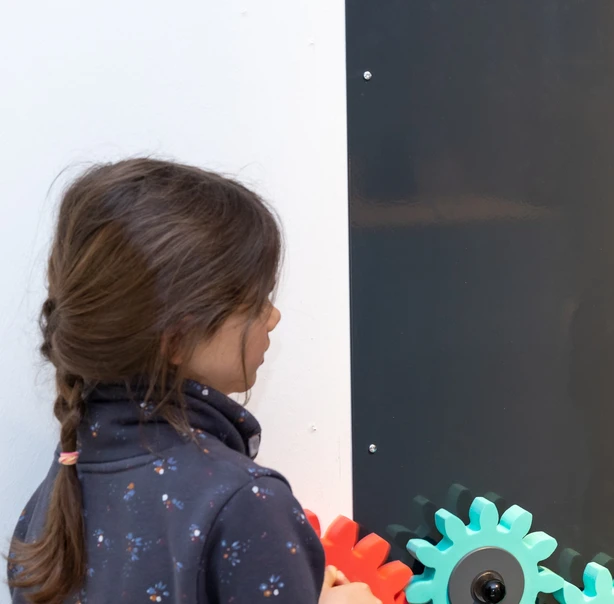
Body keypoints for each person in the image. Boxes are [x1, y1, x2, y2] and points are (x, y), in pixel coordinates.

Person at [5, 159, 377, 604]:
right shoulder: (246, 502)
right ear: (178, 338)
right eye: (256, 300)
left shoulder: (53, 495)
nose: (273, 318)